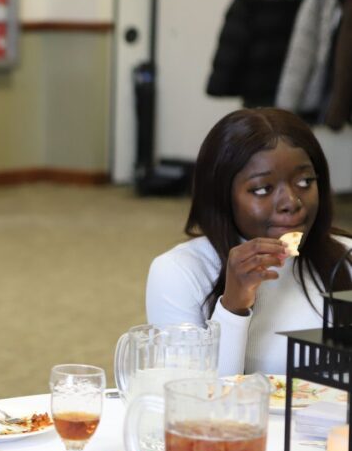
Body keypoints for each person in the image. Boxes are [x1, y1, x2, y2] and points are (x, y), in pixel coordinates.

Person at [146, 107, 352, 376]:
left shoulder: (345, 258)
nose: (291, 202)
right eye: (262, 189)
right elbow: (195, 400)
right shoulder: (178, 272)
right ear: (222, 196)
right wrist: (234, 305)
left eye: (305, 181)